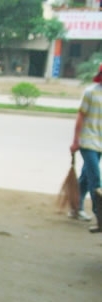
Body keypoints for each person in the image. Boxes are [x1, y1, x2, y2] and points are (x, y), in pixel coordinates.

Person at [69, 63, 102, 225]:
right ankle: (99, 215)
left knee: (85, 178)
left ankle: (76, 207)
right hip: (87, 141)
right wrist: (76, 141)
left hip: (100, 142)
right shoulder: (90, 92)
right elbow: (80, 116)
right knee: (95, 178)